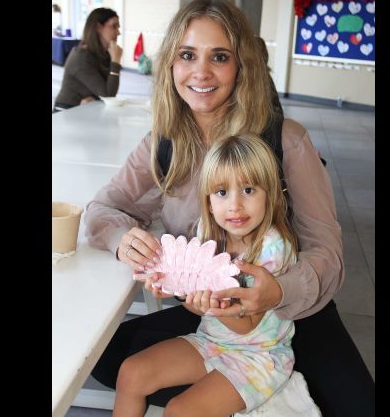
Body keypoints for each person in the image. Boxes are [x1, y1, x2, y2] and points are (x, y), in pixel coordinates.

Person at [84, 0, 374, 416]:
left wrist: (278, 290)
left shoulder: (284, 141)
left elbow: (328, 253)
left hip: (292, 313)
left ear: (241, 67)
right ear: (171, 65)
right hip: (213, 317)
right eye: (187, 55)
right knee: (111, 359)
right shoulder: (163, 143)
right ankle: (247, 393)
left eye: (219, 56)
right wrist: (121, 239)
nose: (201, 72)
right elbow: (102, 208)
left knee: (357, 407)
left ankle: (262, 387)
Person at [114, 133, 319, 416]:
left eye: (248, 190)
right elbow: (195, 303)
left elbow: (247, 326)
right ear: (208, 200)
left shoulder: (274, 248)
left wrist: (209, 306)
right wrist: (178, 290)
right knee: (131, 373)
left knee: (180, 410)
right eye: (222, 193)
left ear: (269, 194)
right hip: (211, 341)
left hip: (259, 356)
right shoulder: (207, 235)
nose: (235, 205)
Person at [53, 7, 123, 112]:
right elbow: (108, 96)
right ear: (98, 27)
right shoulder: (81, 57)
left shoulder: (104, 53)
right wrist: (116, 62)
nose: (118, 32)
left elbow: (108, 93)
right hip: (66, 112)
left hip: (85, 109)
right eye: (114, 26)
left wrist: (95, 98)